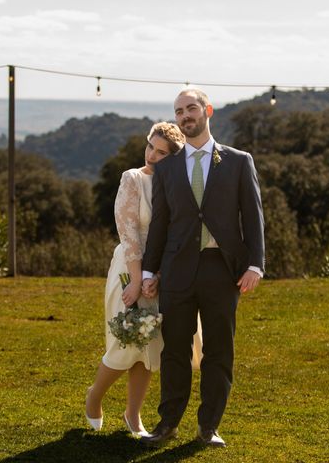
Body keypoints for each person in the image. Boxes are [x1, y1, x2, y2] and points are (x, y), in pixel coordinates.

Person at [140, 87, 265, 448]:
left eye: (191, 108)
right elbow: (161, 222)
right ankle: (167, 424)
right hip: (177, 269)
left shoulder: (240, 161)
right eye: (178, 111)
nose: (185, 116)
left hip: (222, 270)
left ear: (207, 110)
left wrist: (255, 263)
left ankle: (209, 427)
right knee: (174, 350)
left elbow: (253, 218)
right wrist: (149, 271)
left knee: (219, 350)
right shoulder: (167, 169)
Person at [85, 122, 202, 437]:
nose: (152, 155)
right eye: (151, 146)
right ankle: (94, 395)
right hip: (129, 270)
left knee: (149, 348)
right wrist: (138, 280)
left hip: (162, 274)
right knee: (127, 342)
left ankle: (132, 415)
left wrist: (160, 275)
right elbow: (130, 234)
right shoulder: (132, 179)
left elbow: (176, 235)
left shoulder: (178, 186)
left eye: (162, 152)